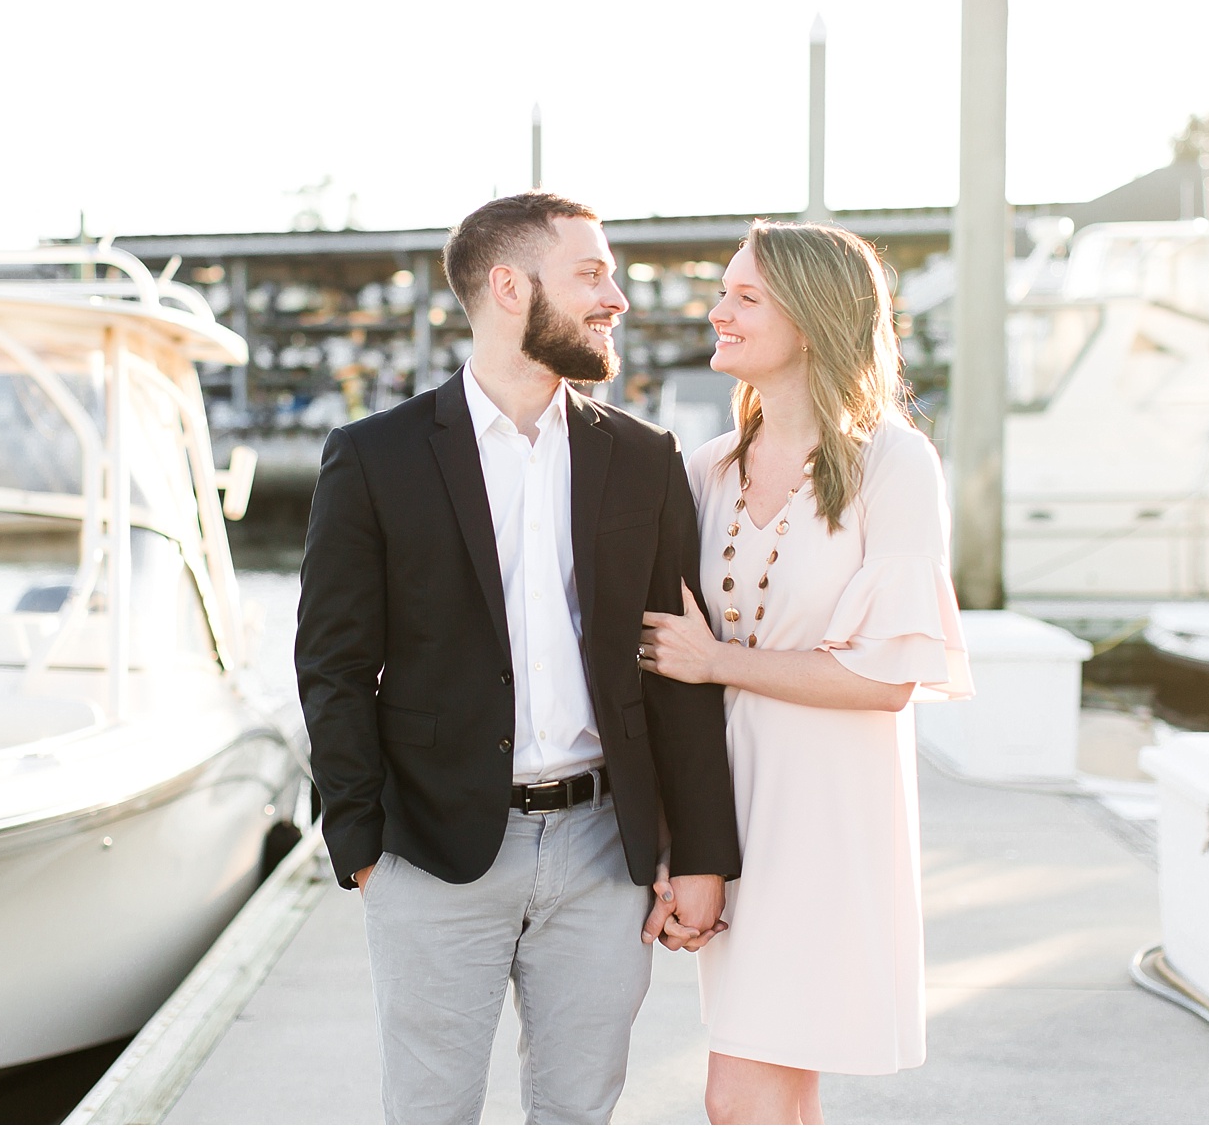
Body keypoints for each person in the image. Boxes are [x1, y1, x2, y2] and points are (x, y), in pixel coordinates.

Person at [296, 192, 742, 1125]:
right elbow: (332, 666)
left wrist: (698, 850)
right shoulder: (374, 458)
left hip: (598, 848)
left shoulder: (645, 457)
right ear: (509, 286)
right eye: (591, 274)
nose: (614, 297)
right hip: (429, 849)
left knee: (579, 1112)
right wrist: (362, 847)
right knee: (432, 1113)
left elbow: (678, 668)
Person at [637, 220, 973, 1125]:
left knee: (740, 1098)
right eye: (724, 292)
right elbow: (669, 678)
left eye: (746, 297)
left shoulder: (892, 464)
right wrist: (683, 839)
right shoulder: (707, 470)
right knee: (777, 1095)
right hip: (735, 805)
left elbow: (887, 679)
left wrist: (719, 662)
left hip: (832, 813)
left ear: (815, 318)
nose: (719, 312)